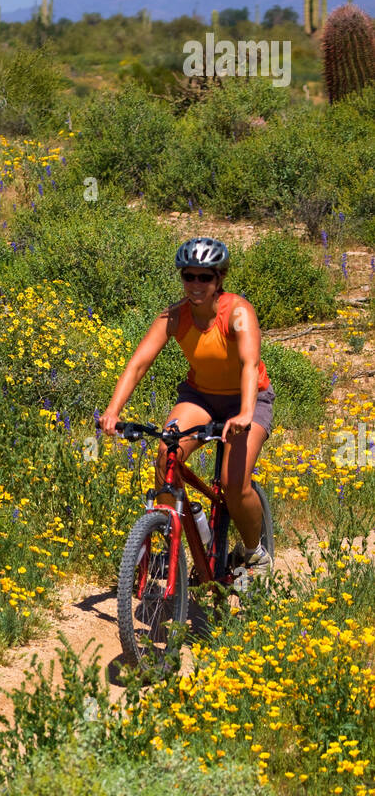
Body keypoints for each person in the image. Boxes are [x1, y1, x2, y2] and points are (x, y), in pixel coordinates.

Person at [98, 237, 275, 577]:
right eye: (188, 276)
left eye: (204, 277)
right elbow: (137, 364)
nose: (196, 284)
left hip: (248, 398)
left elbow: (250, 364)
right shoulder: (175, 317)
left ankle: (254, 551)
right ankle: (175, 544)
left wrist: (245, 413)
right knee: (168, 456)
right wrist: (112, 411)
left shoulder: (237, 313)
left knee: (234, 484)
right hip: (201, 397)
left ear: (219, 280)